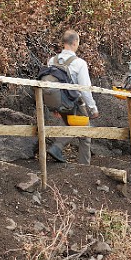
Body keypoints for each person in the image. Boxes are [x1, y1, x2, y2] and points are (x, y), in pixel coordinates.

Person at [46, 30, 99, 164]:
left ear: (63, 43)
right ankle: (83, 167)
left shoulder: (52, 60)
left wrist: (53, 107)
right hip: (73, 103)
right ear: (75, 43)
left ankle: (57, 149)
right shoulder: (79, 63)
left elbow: (50, 85)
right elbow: (85, 89)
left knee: (69, 126)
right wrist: (92, 108)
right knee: (85, 133)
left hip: (57, 101)